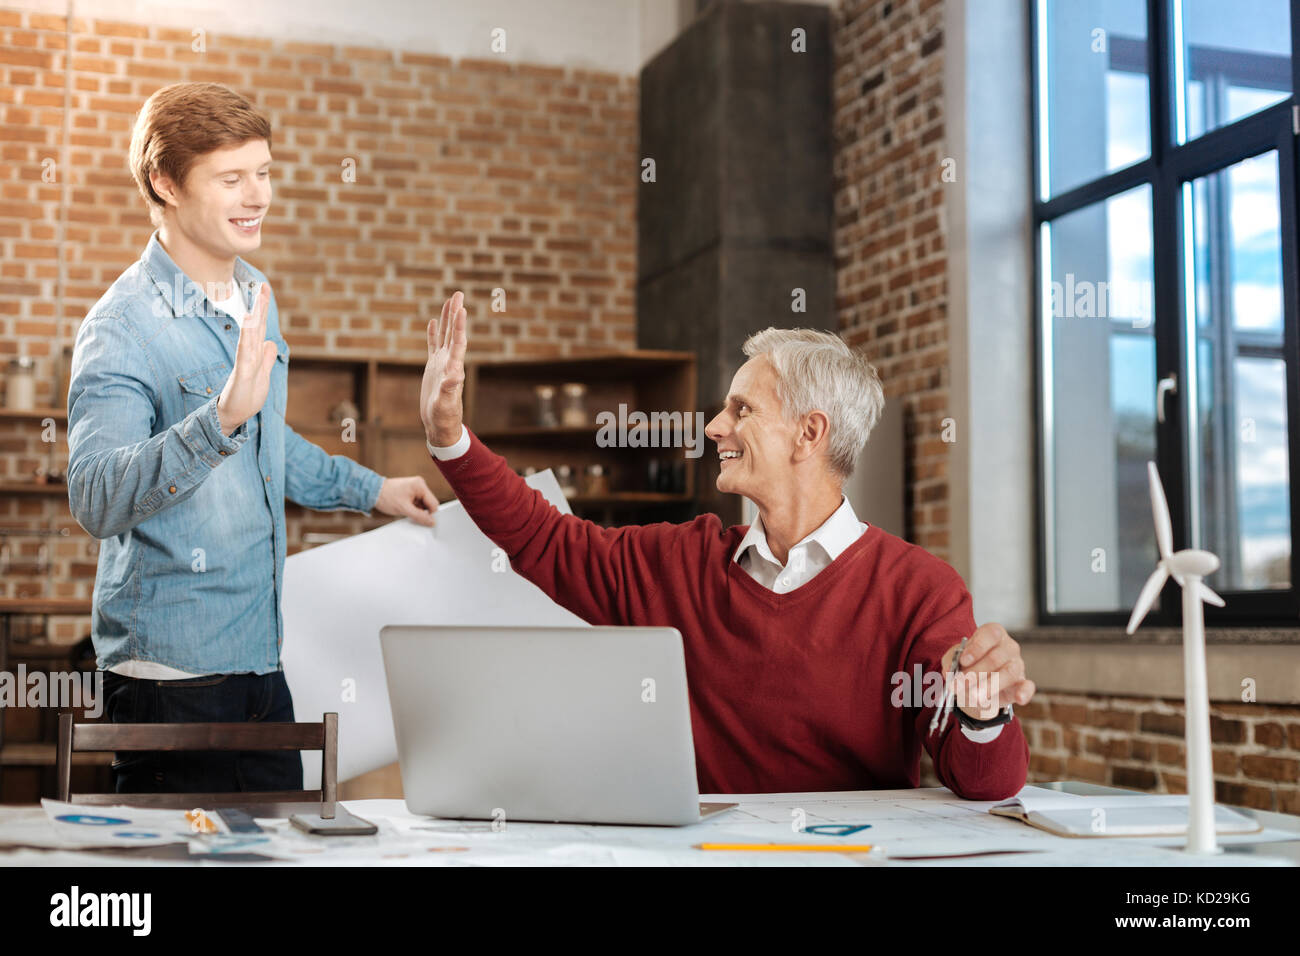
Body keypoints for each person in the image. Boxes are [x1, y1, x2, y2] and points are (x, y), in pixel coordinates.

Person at [419, 291, 1036, 799]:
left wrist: (983, 713)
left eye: (741, 409)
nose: (714, 427)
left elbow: (986, 782)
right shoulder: (676, 563)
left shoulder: (919, 590)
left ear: (808, 434)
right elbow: (542, 537)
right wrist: (449, 436)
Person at [66, 83, 439, 794]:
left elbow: (272, 446)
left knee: (277, 857)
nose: (258, 195)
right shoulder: (123, 327)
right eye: (231, 178)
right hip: (171, 682)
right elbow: (95, 498)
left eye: (264, 172)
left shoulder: (255, 294)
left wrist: (375, 490)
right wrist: (219, 422)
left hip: (262, 664)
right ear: (164, 182)